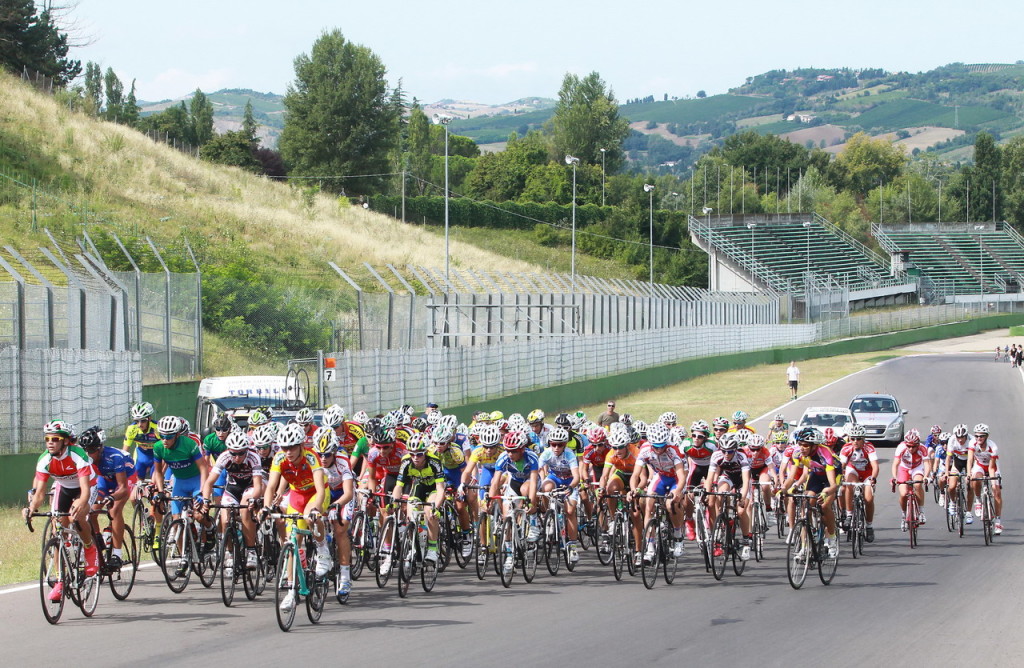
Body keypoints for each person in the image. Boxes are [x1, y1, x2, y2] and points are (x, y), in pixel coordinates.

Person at [263, 422, 332, 612]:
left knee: (311, 518)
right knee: (292, 543)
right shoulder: (279, 459)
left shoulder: (311, 457)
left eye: (292, 447)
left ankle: (323, 550)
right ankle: (291, 592)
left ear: (301, 445)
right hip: (297, 496)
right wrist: (266, 508)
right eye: (285, 447)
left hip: (316, 494)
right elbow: (270, 487)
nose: (288, 452)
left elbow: (319, 490)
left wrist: (315, 509)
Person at [25, 420, 100, 588]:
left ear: (65, 441)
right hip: (64, 488)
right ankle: (60, 580)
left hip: (87, 486)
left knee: (78, 516)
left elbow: (85, 490)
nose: (50, 443)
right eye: (47, 439)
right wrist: (31, 508)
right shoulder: (44, 459)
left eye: (55, 439)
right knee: (58, 530)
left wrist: (81, 503)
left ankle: (89, 548)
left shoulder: (77, 454)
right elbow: (40, 493)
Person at [200, 431, 264, 572]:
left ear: (247, 450)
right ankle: (229, 552)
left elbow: (258, 485)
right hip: (233, 488)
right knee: (225, 520)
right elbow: (209, 482)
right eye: (233, 453)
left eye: (241, 453)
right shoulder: (224, 457)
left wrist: (254, 498)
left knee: (245, 509)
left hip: (249, 487)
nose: (237, 457)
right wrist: (205, 500)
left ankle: (251, 550)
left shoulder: (254, 457)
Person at [80, 426, 134, 570]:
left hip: (125, 478)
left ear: (100, 448)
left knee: (114, 510)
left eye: (91, 450)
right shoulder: (84, 459)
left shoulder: (114, 458)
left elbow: (122, 488)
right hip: (105, 479)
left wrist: (111, 497)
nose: (88, 454)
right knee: (91, 511)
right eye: (85, 450)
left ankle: (117, 554)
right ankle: (98, 539)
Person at [392, 433, 446, 564]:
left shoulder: (434, 462)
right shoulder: (406, 462)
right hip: (419, 486)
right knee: (410, 516)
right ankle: (413, 546)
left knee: (430, 512)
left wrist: (436, 507)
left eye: (419, 454)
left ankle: (433, 548)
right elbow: (399, 486)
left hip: (433, 488)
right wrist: (393, 502)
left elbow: (440, 489)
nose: (415, 458)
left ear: (426, 452)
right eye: (412, 454)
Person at [838, 424, 878, 542]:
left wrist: (873, 478)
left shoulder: (869, 447)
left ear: (863, 439)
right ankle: (849, 515)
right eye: (853, 438)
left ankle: (869, 526)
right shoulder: (846, 448)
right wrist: (839, 478)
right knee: (849, 484)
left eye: (858, 438)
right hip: (853, 471)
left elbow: (875, 466)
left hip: (867, 472)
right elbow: (841, 466)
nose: (855, 441)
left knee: (869, 499)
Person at [891, 428, 931, 532]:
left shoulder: (923, 448)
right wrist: (895, 478)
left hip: (917, 468)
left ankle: (921, 511)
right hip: (904, 468)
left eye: (913, 446)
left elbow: (927, 464)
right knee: (903, 493)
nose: (911, 448)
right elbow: (895, 464)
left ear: (918, 444)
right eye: (908, 446)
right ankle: (904, 516)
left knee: (917, 485)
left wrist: (926, 476)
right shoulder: (901, 447)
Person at [966, 423, 1002, 534]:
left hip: (992, 468)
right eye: (976, 436)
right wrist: (968, 473)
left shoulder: (993, 447)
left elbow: (991, 467)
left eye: (981, 436)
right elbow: (970, 460)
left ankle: (998, 522)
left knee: (996, 491)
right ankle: (978, 500)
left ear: (986, 436)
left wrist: (993, 482)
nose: (978, 438)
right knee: (975, 479)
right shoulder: (973, 443)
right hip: (979, 465)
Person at [124, 402, 160, 480]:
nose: (139, 424)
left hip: (156, 456)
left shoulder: (157, 428)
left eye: (143, 420)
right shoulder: (131, 429)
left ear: (149, 418)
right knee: (138, 481)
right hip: (141, 456)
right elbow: (125, 451)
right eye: (137, 421)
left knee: (155, 480)